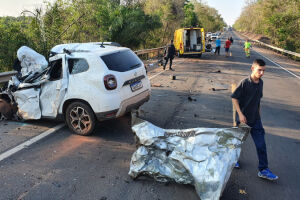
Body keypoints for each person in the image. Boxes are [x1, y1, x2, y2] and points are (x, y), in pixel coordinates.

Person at [231, 59, 278, 181]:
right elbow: (235, 98)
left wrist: (259, 115)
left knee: (261, 145)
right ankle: (233, 160)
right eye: (259, 70)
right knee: (238, 142)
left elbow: (258, 101)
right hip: (243, 120)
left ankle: (263, 170)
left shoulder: (260, 83)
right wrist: (240, 115)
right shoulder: (244, 83)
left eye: (263, 71)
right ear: (252, 68)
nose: (261, 73)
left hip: (256, 120)